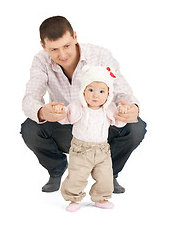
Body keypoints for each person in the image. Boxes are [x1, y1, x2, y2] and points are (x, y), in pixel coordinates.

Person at [21, 16, 147, 194]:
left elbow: (122, 91)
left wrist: (132, 108)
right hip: (68, 128)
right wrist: (42, 111)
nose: (62, 55)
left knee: (136, 128)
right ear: (44, 47)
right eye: (54, 49)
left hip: (101, 129)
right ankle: (57, 170)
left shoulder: (100, 55)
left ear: (75, 37)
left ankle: (109, 173)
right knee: (30, 128)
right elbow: (30, 98)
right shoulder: (41, 61)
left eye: (67, 46)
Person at [53, 65, 129, 212]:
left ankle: (101, 198)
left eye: (101, 91)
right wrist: (61, 112)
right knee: (76, 176)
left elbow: (119, 123)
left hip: (102, 150)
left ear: (108, 94)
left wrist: (123, 112)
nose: (95, 96)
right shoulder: (78, 107)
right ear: (83, 91)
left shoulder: (109, 108)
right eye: (91, 90)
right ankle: (74, 198)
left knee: (105, 177)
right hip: (81, 150)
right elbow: (66, 118)